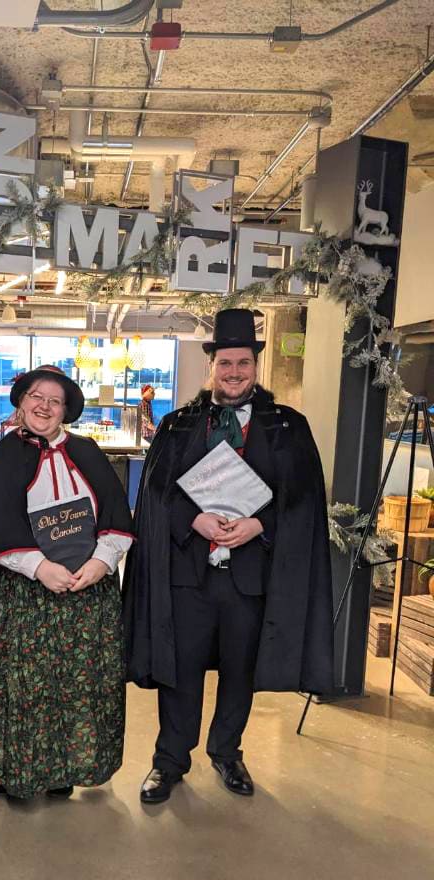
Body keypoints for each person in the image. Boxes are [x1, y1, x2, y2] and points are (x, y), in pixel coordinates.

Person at [123, 308, 333, 802]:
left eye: (242, 363)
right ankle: (169, 761)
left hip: (251, 575)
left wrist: (260, 524)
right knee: (180, 669)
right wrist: (192, 520)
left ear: (255, 366)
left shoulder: (288, 427)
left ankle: (227, 752)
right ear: (211, 366)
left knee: (241, 669)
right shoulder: (177, 426)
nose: (233, 372)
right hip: (188, 573)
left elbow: (303, 502)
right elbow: (154, 499)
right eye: (225, 363)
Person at [0, 365, 135, 799]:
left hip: (87, 589)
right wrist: (38, 566)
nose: (44, 406)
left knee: (77, 682)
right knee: (20, 683)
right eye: (35, 397)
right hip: (21, 593)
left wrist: (102, 561)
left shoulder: (87, 451)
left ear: (65, 410)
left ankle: (66, 766)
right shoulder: (1, 457)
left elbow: (117, 514)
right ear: (21, 402)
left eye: (54, 401)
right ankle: (14, 770)